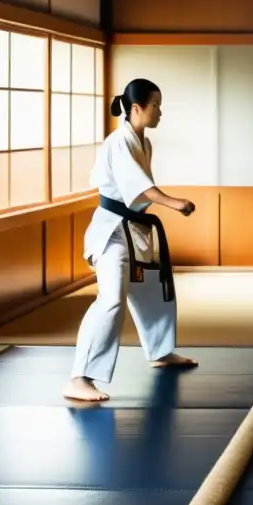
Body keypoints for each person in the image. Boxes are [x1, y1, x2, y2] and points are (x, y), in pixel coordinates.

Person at [63, 78, 198, 403]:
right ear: (136, 108)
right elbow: (139, 189)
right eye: (155, 105)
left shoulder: (142, 142)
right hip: (112, 232)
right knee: (111, 301)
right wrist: (175, 203)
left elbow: (139, 188)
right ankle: (79, 378)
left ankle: (160, 352)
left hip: (134, 230)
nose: (160, 111)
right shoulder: (118, 142)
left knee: (154, 291)